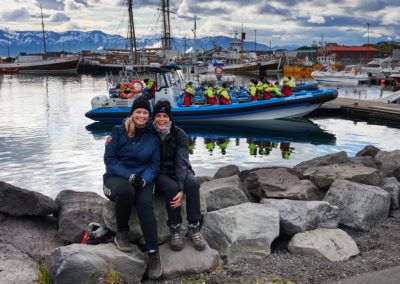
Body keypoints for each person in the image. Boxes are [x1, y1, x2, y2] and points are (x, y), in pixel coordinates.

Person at [103, 96, 162, 280]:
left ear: (149, 115)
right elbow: (110, 160)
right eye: (138, 112)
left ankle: (153, 253)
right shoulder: (119, 131)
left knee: (144, 203)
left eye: (145, 112)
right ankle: (122, 233)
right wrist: (129, 176)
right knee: (126, 191)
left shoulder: (153, 137)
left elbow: (155, 164)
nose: (142, 115)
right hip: (116, 177)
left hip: (142, 179)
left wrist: (144, 180)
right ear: (132, 113)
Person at [152, 100, 206, 251]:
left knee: (193, 184)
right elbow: (130, 127)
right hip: (160, 173)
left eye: (165, 116)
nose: (162, 119)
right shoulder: (149, 133)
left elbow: (181, 161)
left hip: (180, 169)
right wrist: (112, 139)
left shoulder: (179, 134)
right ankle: (175, 229)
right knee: (170, 188)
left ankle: (194, 227)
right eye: (158, 116)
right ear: (154, 118)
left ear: (170, 118)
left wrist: (182, 188)